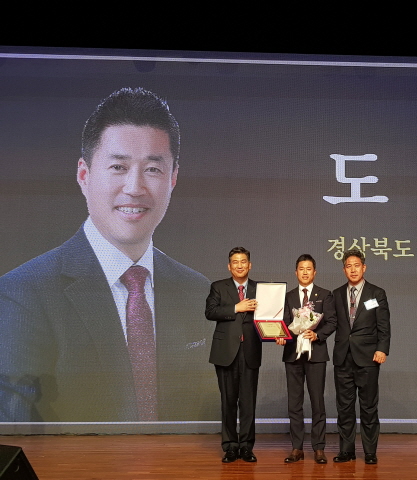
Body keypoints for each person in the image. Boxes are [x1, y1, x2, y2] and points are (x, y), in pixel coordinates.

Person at [0, 87, 214, 422]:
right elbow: (18, 432)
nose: (135, 187)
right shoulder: (25, 293)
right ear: (84, 175)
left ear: (173, 178)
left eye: (153, 169)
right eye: (118, 167)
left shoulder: (197, 291)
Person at [275, 254, 337, 464]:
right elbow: (282, 322)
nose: (304, 272)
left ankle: (319, 448)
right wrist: (280, 336)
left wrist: (317, 335)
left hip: (316, 354)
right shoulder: (288, 296)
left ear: (315, 272)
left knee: (317, 401)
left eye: (308, 269)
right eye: (301, 268)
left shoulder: (325, 295)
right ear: (296, 272)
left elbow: (332, 322)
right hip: (292, 354)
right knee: (295, 403)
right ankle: (297, 448)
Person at [332, 249, 390, 465]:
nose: (353, 269)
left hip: (368, 358)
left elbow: (383, 325)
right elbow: (330, 323)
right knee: (344, 408)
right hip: (343, 358)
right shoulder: (336, 294)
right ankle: (346, 451)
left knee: (368, 407)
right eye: (349, 266)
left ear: (364, 268)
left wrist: (382, 349)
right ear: (344, 270)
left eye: (357, 265)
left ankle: (370, 452)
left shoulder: (377, 293)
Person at [205, 247, 262, 463]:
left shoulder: (259, 289)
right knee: (228, 401)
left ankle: (246, 446)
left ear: (250, 265)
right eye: (235, 262)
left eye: (243, 261)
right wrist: (236, 307)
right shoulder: (218, 287)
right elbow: (210, 312)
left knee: (248, 403)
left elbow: (270, 315)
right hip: (226, 352)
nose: (240, 265)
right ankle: (229, 446)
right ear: (229, 266)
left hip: (250, 351)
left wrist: (277, 332)